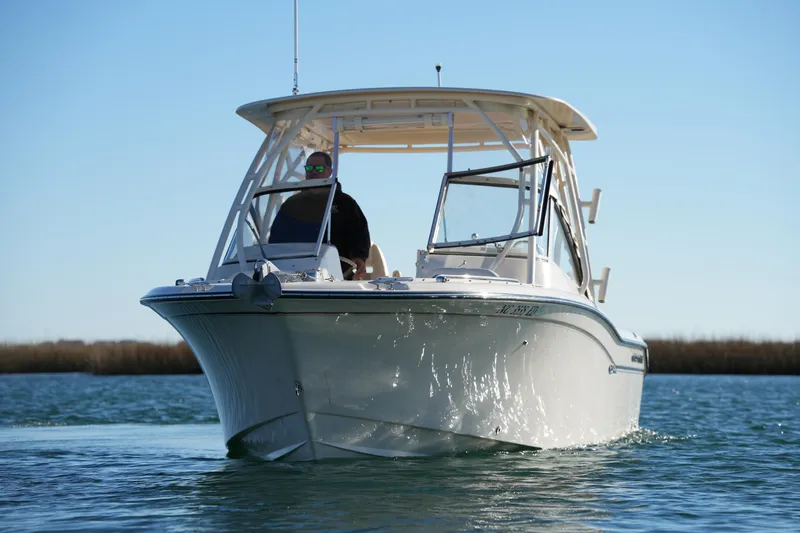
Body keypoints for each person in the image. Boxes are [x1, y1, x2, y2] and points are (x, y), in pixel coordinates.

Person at [268, 151, 371, 280]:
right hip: (293, 276)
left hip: (338, 275)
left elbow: (359, 232)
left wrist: (359, 257)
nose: (313, 172)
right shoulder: (292, 205)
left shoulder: (346, 204)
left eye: (319, 168)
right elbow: (276, 240)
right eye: (309, 168)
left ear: (330, 171)